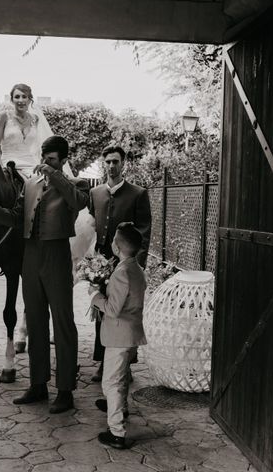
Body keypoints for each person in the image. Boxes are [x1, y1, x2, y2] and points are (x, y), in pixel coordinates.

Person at [0, 135, 89, 414]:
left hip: (57, 254)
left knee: (62, 322)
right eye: (43, 159)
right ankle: (38, 385)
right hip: (30, 256)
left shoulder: (75, 184)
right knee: (35, 321)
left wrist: (54, 175)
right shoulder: (30, 184)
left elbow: (79, 202)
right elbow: (15, 216)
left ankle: (65, 390)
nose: (44, 164)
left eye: (51, 160)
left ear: (63, 161)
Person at [88, 145, 151, 382]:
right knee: (102, 311)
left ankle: (125, 364)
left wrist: (137, 265)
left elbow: (144, 232)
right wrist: (91, 263)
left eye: (116, 161)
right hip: (101, 264)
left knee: (124, 313)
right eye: (108, 162)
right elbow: (91, 229)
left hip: (125, 263)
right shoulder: (95, 194)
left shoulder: (137, 193)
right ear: (103, 164)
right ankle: (103, 361)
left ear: (123, 163)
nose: (112, 166)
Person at [88, 222, 147, 450]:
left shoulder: (122, 272)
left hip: (119, 336)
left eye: (113, 239)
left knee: (110, 383)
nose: (111, 242)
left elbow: (112, 309)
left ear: (118, 246)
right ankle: (119, 408)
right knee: (120, 378)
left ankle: (117, 432)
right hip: (131, 334)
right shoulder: (135, 268)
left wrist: (95, 295)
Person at [0, 83, 53, 177]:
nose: (20, 100)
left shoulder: (35, 119)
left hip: (31, 164)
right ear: (12, 100)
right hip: (9, 164)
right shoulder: (4, 116)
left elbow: (38, 146)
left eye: (24, 97)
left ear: (29, 100)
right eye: (17, 97)